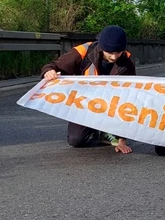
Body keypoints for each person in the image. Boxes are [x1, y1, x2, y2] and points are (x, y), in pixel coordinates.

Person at [40, 25, 136, 154]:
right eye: (110, 52)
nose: (114, 57)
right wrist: (49, 71)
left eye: (118, 52)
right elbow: (55, 65)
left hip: (111, 106)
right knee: (76, 140)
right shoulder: (84, 51)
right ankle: (95, 129)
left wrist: (122, 139)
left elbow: (130, 99)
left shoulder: (127, 62)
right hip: (84, 104)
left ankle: (106, 131)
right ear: (102, 47)